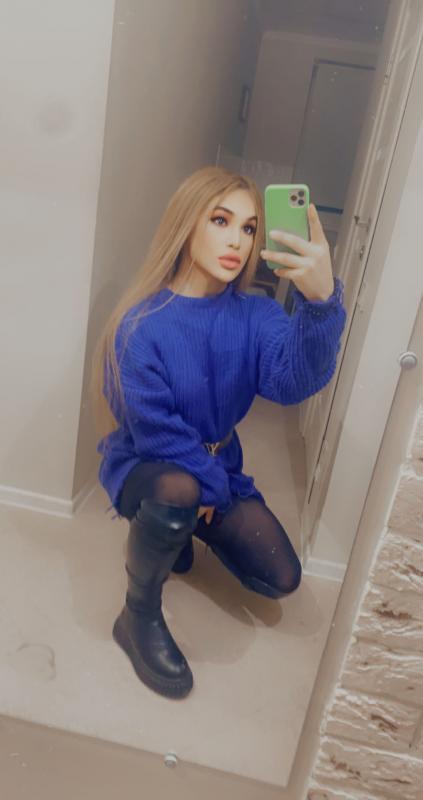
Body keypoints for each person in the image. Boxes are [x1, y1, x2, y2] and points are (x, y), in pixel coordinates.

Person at [90, 165, 347, 701]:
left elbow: (293, 382)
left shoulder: (256, 314)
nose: (237, 240)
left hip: (217, 464)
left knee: (281, 577)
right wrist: (210, 489)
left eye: (249, 228)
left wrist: (321, 303)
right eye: (221, 220)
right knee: (178, 490)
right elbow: (157, 434)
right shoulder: (140, 325)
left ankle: (183, 525)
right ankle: (136, 615)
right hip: (147, 464)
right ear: (187, 223)